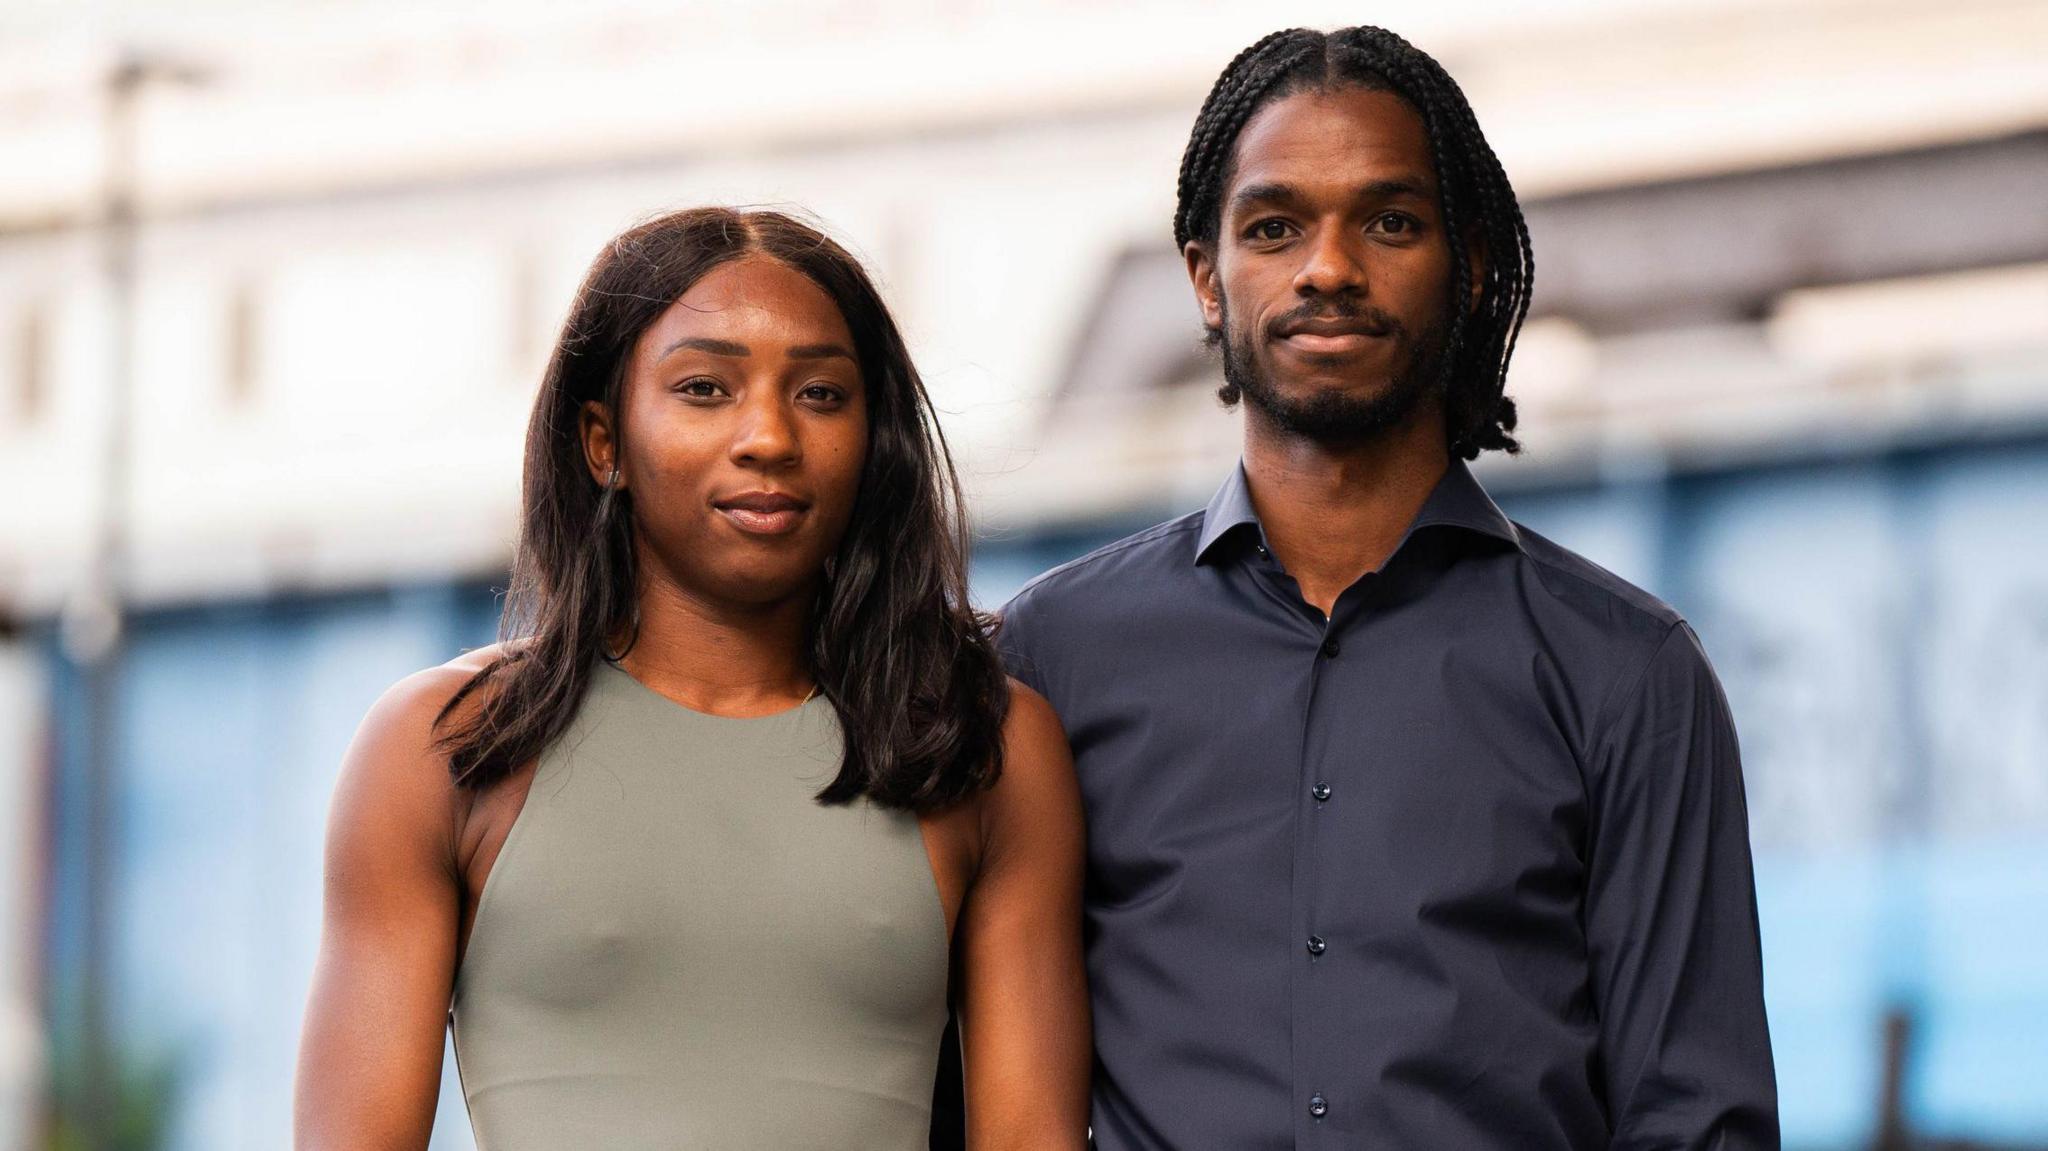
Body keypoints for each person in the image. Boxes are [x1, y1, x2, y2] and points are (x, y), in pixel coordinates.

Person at [994, 26, 1778, 1150]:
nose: (1327, 267)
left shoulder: (1624, 670)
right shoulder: (1054, 655)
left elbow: (1696, 1119)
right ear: (1205, 280)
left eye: (1388, 222)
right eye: (1273, 227)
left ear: (1465, 269)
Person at [293, 207, 1090, 1150]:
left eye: (822, 394)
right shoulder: (446, 747)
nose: (769, 437)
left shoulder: (981, 746)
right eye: (706, 387)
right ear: (604, 442)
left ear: (873, 440)